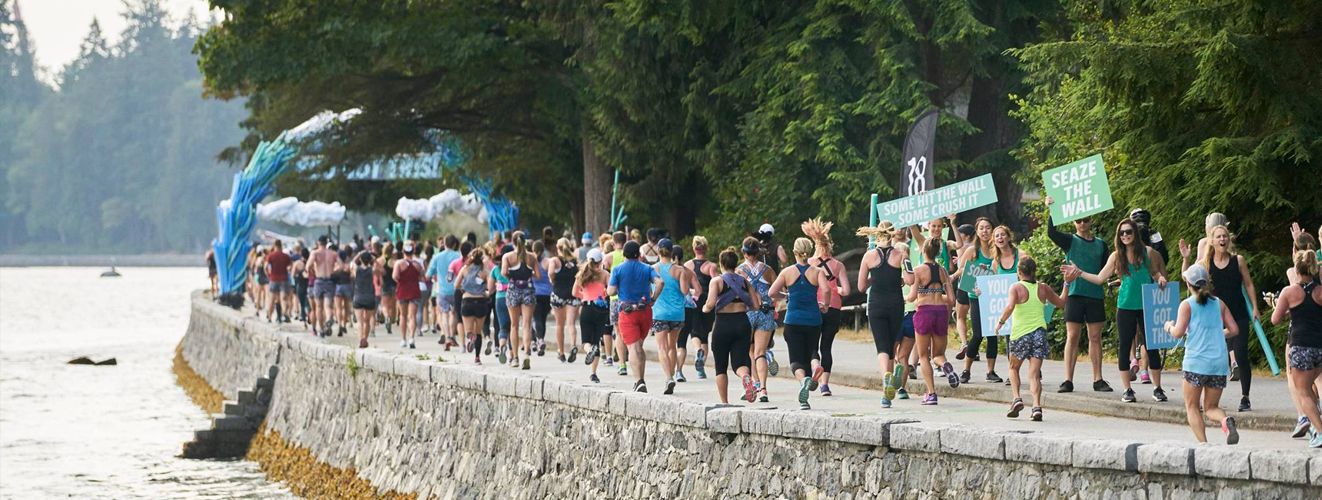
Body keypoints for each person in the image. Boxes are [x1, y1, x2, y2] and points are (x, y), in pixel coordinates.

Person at [1063, 218, 1169, 403]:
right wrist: (1079, 272)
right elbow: (1099, 278)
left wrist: (1160, 278)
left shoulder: (1146, 252)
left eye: (1129, 232)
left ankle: (1157, 387)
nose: (1125, 235)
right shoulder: (1116, 256)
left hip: (1146, 304)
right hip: (1125, 306)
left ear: (1135, 233)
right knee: (1124, 345)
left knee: (1151, 347)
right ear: (1118, 236)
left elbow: (1154, 271)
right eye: (1122, 233)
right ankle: (1127, 389)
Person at [1181, 224, 1259, 411]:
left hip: (1238, 313)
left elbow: (1248, 284)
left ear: (1228, 239)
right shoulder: (1205, 263)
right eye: (1219, 237)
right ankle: (1202, 400)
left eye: (1225, 236)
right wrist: (1186, 259)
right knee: (1209, 355)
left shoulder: (1238, 260)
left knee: (1240, 353)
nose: (1222, 240)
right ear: (1212, 241)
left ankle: (1245, 397)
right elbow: (1188, 277)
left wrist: (1255, 307)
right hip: (1214, 316)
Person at [1166, 263, 1240, 444]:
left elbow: (1178, 333)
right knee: (1211, 407)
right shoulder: (1219, 304)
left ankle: (1203, 445)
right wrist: (1219, 333)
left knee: (1192, 406)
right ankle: (1224, 420)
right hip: (1218, 363)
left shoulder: (1187, 305)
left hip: (1196, 363)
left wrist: (1168, 326)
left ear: (1189, 285)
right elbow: (1234, 329)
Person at [1044, 197, 1113, 393]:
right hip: (1074, 294)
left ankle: (1098, 379)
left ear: (1091, 221)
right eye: (1078, 220)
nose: (1082, 224)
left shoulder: (1101, 244)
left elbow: (1105, 269)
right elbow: (1051, 232)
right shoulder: (1070, 240)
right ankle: (1068, 379)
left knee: (1095, 337)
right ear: (1074, 223)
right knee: (1072, 336)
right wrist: (1052, 209)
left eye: (1086, 220)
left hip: (1094, 294)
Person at [994, 257, 1067, 421]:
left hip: (1020, 335)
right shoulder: (1043, 288)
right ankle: (1036, 406)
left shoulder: (1016, 287)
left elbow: (1010, 306)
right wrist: (1067, 283)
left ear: (1019, 272)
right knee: (1034, 374)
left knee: (1013, 368)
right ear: (1035, 271)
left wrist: (1000, 323)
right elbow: (1062, 302)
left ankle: (1016, 398)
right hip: (1039, 334)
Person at [767, 237, 831, 410]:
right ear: (809, 251)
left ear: (794, 252)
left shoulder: (787, 272)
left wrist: (786, 296)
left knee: (796, 359)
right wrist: (825, 305)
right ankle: (816, 366)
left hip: (793, 320)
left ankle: (803, 382)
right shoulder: (817, 271)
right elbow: (826, 289)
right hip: (813, 319)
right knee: (812, 351)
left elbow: (772, 292)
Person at [856, 221, 913, 408]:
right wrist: (900, 278)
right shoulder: (902, 254)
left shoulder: (868, 256)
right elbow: (911, 279)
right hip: (896, 305)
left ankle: (886, 382)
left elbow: (861, 286)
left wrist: (875, 277)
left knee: (882, 347)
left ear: (877, 234)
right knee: (892, 347)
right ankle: (887, 394)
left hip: (876, 305)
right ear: (892, 234)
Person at [1270, 251, 1322, 448]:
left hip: (1301, 346)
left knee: (1303, 391)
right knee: (1312, 387)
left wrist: (1280, 306)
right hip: (1319, 346)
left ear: (1296, 269)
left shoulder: (1290, 292)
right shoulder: (1320, 291)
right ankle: (1317, 428)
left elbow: (1275, 319)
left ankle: (1320, 431)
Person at [904, 237, 960, 405]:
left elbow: (913, 296)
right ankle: (946, 366)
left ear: (923, 251)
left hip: (924, 312)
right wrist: (936, 294)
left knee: (923, 356)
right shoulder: (943, 271)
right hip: (941, 313)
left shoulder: (918, 270)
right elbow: (951, 299)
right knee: (938, 354)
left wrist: (906, 296)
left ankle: (931, 393)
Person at [702, 249, 760, 404]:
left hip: (723, 324)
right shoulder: (745, 282)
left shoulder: (717, 281)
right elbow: (755, 305)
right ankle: (746, 377)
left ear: (721, 264)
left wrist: (704, 309)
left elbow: (710, 304)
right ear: (735, 264)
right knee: (740, 362)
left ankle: (725, 402)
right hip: (742, 323)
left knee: (721, 366)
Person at [607, 241, 663, 392]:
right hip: (645, 311)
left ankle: (639, 381)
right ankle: (641, 380)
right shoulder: (647, 268)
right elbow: (660, 282)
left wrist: (617, 287)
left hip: (628, 312)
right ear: (639, 254)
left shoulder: (617, 270)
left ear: (624, 254)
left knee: (632, 348)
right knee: (639, 346)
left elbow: (610, 292)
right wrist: (653, 299)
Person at [804, 218, 849, 397]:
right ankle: (825, 386)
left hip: (815, 307)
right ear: (830, 245)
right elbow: (846, 290)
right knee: (827, 347)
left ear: (816, 244)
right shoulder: (839, 265)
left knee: (813, 345)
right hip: (834, 308)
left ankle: (815, 367)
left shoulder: (809, 263)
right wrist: (835, 288)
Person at [650, 239, 698, 395]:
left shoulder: (652, 269)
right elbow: (685, 292)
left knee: (662, 347)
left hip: (659, 313)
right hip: (677, 313)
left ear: (658, 251)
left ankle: (668, 377)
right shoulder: (680, 270)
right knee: (672, 346)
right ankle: (670, 376)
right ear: (672, 252)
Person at [955, 218, 996, 383]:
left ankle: (991, 371)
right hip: (976, 296)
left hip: (992, 296)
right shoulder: (973, 250)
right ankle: (966, 370)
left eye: (988, 228)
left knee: (992, 335)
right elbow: (961, 269)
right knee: (978, 334)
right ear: (977, 232)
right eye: (981, 228)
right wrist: (980, 271)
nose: (985, 231)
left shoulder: (996, 251)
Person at [739, 236, 779, 402]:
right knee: (760, 353)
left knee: (749, 351)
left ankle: (754, 384)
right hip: (765, 312)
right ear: (758, 252)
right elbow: (778, 290)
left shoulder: (739, 270)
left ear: (744, 252)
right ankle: (763, 389)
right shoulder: (768, 270)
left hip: (747, 313)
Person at [680, 236, 718, 381]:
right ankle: (701, 368)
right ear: (706, 248)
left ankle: (697, 351)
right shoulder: (711, 266)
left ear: (694, 248)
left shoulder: (687, 265)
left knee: (694, 331)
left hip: (692, 300)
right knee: (705, 334)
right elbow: (716, 283)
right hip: (708, 301)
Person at [502, 233, 542, 369]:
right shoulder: (531, 257)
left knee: (514, 325)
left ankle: (515, 357)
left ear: (512, 242)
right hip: (528, 290)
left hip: (513, 289)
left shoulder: (507, 257)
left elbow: (503, 273)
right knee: (527, 324)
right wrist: (528, 272)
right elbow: (538, 275)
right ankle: (526, 354)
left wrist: (512, 276)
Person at [574, 248, 611, 382]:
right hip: (601, 309)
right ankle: (594, 373)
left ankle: (589, 349)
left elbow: (574, 292)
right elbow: (611, 290)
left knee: (586, 340)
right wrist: (604, 293)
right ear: (600, 261)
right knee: (597, 340)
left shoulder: (582, 274)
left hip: (587, 307)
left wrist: (584, 295)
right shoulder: (605, 274)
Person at [456, 249, 493, 364]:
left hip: (467, 301)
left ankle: (470, 338)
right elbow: (491, 288)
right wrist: (485, 292)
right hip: (481, 302)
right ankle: (477, 358)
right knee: (478, 332)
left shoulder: (464, 269)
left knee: (469, 331)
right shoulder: (485, 271)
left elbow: (456, 285)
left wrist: (464, 290)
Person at [549, 238, 581, 363]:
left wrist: (553, 280)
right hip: (572, 295)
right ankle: (573, 345)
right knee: (571, 323)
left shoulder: (555, 261)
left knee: (559, 324)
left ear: (558, 247)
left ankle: (561, 351)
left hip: (558, 294)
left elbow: (551, 273)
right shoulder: (575, 261)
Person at [428, 235, 462, 348]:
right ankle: (452, 336)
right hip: (456, 289)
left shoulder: (437, 257)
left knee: (444, 314)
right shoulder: (458, 256)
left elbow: (428, 274)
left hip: (441, 290)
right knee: (453, 313)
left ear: (444, 244)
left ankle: (447, 336)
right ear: (454, 244)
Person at [393, 241, 424, 348]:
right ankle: (412, 338)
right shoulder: (417, 265)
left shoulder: (398, 263)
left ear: (403, 251)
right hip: (414, 291)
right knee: (412, 316)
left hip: (402, 291)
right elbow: (422, 277)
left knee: (403, 316)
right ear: (413, 252)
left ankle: (403, 339)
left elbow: (395, 277)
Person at [350, 249, 382, 348]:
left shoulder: (357, 270)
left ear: (361, 259)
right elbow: (379, 267)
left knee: (360, 321)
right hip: (369, 297)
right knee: (367, 321)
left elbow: (352, 263)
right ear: (369, 260)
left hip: (358, 297)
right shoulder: (372, 270)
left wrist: (359, 254)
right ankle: (365, 339)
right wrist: (374, 259)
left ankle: (361, 339)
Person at [309, 237, 339, 336]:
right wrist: (333, 271)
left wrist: (313, 271)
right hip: (329, 280)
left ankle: (321, 329)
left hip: (319, 280)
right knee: (328, 305)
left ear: (318, 242)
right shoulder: (333, 253)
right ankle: (329, 318)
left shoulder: (315, 253)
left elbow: (307, 266)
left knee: (318, 307)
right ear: (326, 243)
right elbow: (342, 266)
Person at [532, 240, 554, 357]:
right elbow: (552, 275)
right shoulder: (547, 262)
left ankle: (538, 340)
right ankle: (538, 340)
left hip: (534, 293)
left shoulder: (531, 262)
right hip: (547, 294)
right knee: (543, 319)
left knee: (535, 318)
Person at [265, 240, 293, 323]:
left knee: (272, 299)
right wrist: (288, 271)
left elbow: (266, 267)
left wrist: (268, 275)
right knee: (283, 299)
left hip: (273, 279)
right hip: (284, 279)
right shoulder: (286, 256)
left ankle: (269, 318)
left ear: (274, 246)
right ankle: (284, 314)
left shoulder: (271, 256)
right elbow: (291, 266)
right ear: (281, 246)